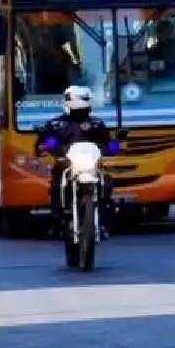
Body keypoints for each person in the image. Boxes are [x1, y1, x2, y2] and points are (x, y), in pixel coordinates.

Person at [34, 86, 116, 240]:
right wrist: (46, 146)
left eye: (84, 109)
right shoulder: (55, 124)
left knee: (107, 183)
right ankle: (58, 219)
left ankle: (103, 222)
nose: (82, 113)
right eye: (78, 110)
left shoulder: (96, 124)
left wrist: (112, 146)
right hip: (67, 164)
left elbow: (107, 141)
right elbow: (42, 143)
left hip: (90, 166)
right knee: (57, 184)